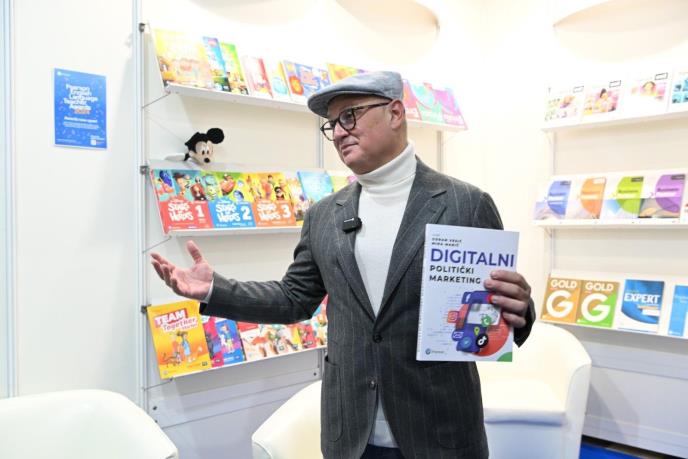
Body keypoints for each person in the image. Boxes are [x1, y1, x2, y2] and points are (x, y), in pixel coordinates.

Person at [151, 71, 535, 459]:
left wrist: (519, 309)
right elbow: (294, 299)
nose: (338, 132)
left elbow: (497, 309)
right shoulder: (324, 215)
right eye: (331, 124)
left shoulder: (465, 203)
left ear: (395, 113)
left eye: (350, 116)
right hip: (351, 435)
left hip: (440, 432)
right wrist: (214, 289)